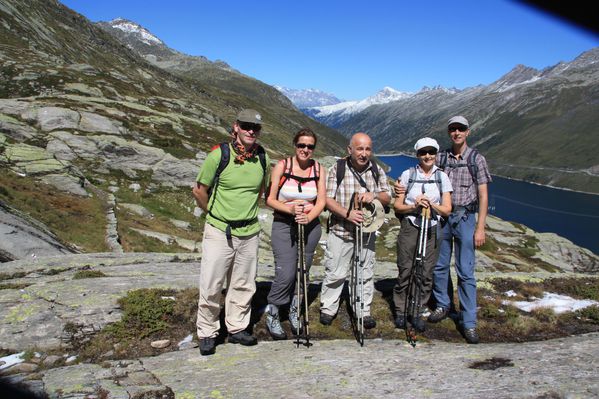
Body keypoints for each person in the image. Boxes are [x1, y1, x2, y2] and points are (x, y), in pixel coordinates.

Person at [396, 116, 491, 344]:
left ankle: (469, 322)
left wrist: (480, 228)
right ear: (449, 133)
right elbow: (419, 170)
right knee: (438, 266)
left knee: (465, 271)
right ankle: (443, 305)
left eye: (461, 129)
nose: (457, 132)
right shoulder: (441, 157)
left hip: (464, 217)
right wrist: (399, 185)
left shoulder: (476, 159)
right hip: (441, 221)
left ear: (468, 132)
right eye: (453, 129)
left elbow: (484, 195)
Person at [192, 108, 270, 356]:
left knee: (244, 284)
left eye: (255, 128)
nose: (251, 131)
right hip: (219, 231)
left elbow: (260, 191)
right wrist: (213, 215)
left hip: (249, 232)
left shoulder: (261, 157)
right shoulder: (219, 155)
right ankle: (207, 331)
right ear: (235, 126)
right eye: (246, 126)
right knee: (212, 283)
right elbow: (199, 190)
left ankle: (237, 327)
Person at [319, 132, 392, 329]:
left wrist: (374, 194)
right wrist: (347, 213)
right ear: (350, 150)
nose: (364, 153)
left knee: (365, 272)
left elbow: (387, 197)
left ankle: (362, 310)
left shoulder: (377, 170)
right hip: (341, 230)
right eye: (359, 148)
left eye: (367, 149)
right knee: (335, 271)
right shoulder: (338, 169)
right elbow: (327, 199)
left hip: (366, 233)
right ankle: (328, 308)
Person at [263, 128, 327, 340]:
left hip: (310, 226)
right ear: (295, 145)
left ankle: (294, 311)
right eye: (301, 145)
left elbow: (321, 201)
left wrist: (309, 218)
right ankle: (273, 312)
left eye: (310, 146)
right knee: (286, 272)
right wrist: (289, 209)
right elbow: (270, 199)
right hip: (283, 223)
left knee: (303, 271)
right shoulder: (283, 166)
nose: (305, 150)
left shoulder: (319, 169)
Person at [392, 137, 452, 333]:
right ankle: (401, 311)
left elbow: (447, 209)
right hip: (411, 226)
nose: (428, 156)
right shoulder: (408, 174)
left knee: (426, 272)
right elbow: (398, 206)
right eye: (423, 153)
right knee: (406, 269)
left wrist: (431, 204)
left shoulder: (442, 177)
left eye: (431, 152)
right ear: (417, 155)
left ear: (436, 154)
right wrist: (414, 205)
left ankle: (417, 310)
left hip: (432, 227)